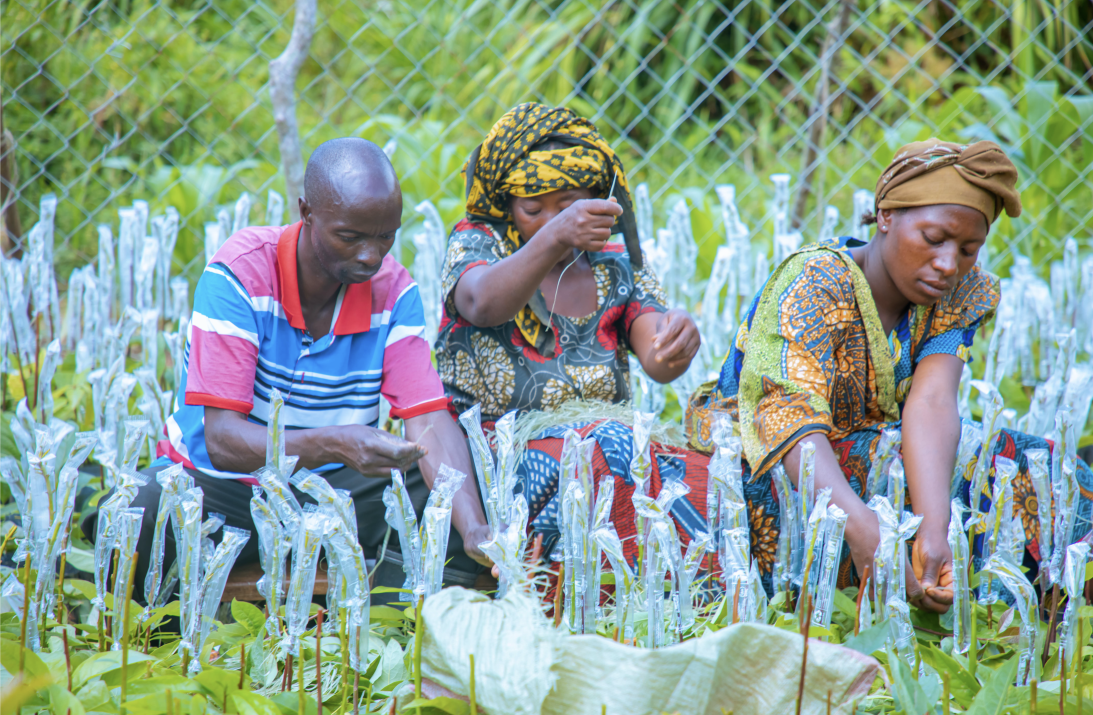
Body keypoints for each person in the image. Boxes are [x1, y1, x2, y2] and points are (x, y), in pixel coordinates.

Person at [687, 138, 1093, 610]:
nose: (949, 264)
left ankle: (1070, 601)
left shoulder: (955, 296)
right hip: (776, 469)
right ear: (885, 214)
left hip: (872, 457)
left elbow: (931, 402)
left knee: (1040, 467)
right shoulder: (815, 282)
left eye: (969, 249)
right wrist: (864, 531)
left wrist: (933, 528)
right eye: (934, 239)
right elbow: (787, 420)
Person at [85, 138, 492, 596]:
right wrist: (336, 443)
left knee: (448, 490)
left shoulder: (393, 291)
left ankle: (394, 627)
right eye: (351, 236)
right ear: (306, 212)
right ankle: (172, 631)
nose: (370, 256)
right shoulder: (240, 276)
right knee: (134, 514)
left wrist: (475, 526)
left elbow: (428, 417)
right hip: (224, 485)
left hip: (335, 489)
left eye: (385, 236)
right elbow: (222, 442)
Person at [436, 102, 706, 563]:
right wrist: (557, 234)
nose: (550, 220)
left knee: (697, 473)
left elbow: (659, 361)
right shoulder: (480, 244)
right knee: (603, 449)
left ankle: (683, 601)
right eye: (533, 209)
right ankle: (563, 595)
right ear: (507, 205)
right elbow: (480, 304)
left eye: (568, 207)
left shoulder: (614, 265)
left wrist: (678, 337)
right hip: (503, 464)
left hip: (604, 454)